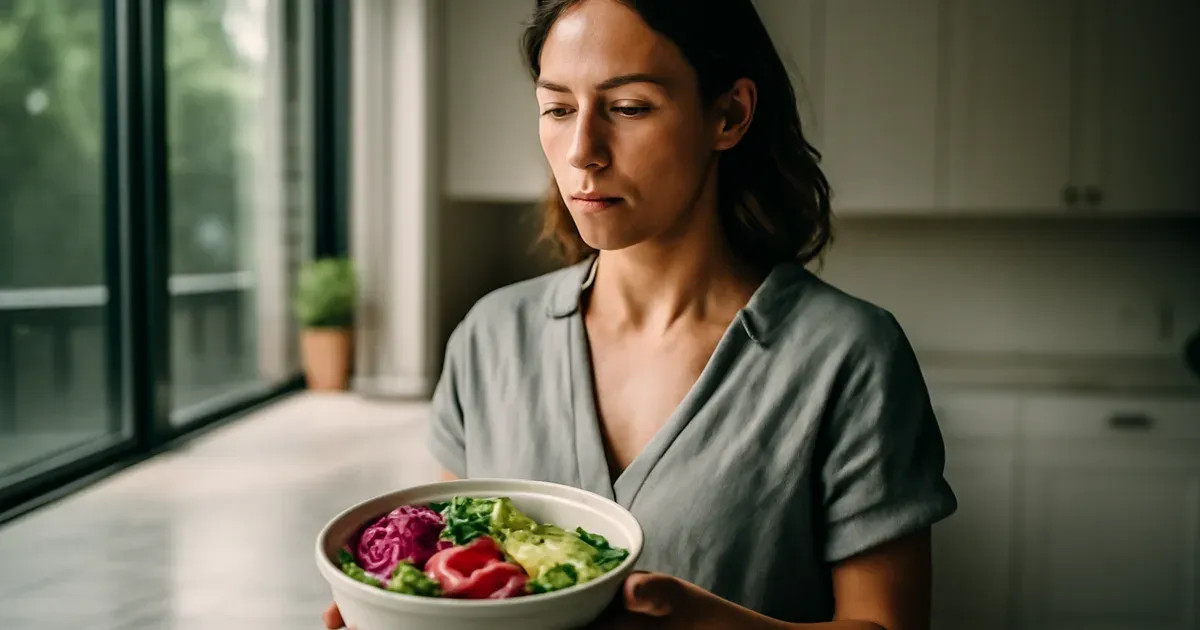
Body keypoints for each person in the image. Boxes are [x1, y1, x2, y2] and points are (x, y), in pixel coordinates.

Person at [325, 0, 957, 628]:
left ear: (730, 115)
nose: (582, 151)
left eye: (628, 108)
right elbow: (455, 568)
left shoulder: (849, 355)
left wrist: (701, 622)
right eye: (558, 109)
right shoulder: (489, 338)